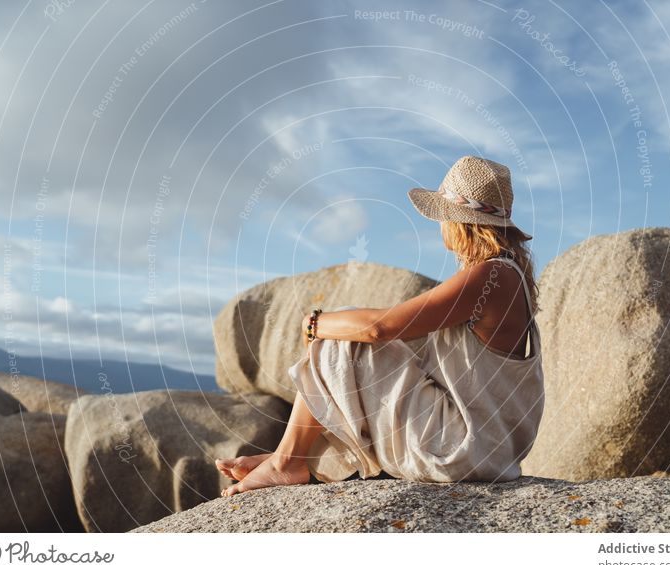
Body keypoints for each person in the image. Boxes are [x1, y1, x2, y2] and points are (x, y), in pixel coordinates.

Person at [216, 155, 545, 496]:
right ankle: (292, 456)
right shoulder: (506, 275)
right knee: (348, 334)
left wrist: (315, 323)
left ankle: (287, 463)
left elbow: (380, 328)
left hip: (460, 449)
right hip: (485, 449)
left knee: (341, 339)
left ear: (458, 221)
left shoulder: (490, 275)